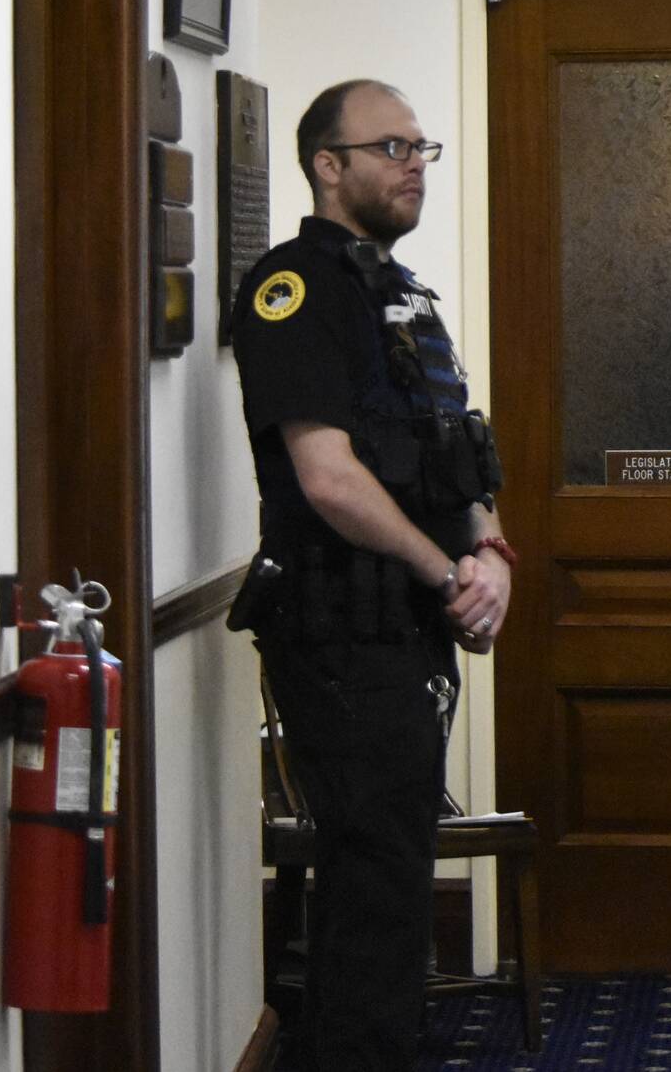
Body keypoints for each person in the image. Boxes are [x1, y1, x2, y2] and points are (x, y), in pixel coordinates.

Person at [227, 78, 515, 1071]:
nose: (412, 166)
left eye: (421, 148)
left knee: (396, 872)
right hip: (339, 631)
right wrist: (449, 573)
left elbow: (454, 448)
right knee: (374, 878)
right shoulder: (293, 289)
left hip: (409, 623)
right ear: (326, 164)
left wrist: (489, 557)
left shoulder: (398, 293)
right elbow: (329, 479)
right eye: (389, 147)